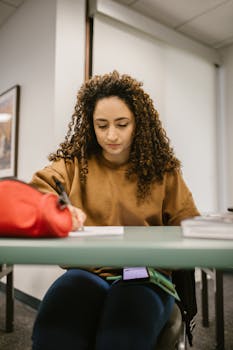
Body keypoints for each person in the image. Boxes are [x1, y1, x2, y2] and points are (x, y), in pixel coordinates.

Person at [30, 70, 199, 350]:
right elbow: (37, 192)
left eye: (122, 124)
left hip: (146, 274)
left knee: (121, 338)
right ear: (90, 125)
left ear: (138, 124)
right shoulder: (74, 164)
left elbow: (189, 226)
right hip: (88, 273)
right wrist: (54, 209)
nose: (111, 135)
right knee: (55, 333)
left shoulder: (163, 172)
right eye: (101, 125)